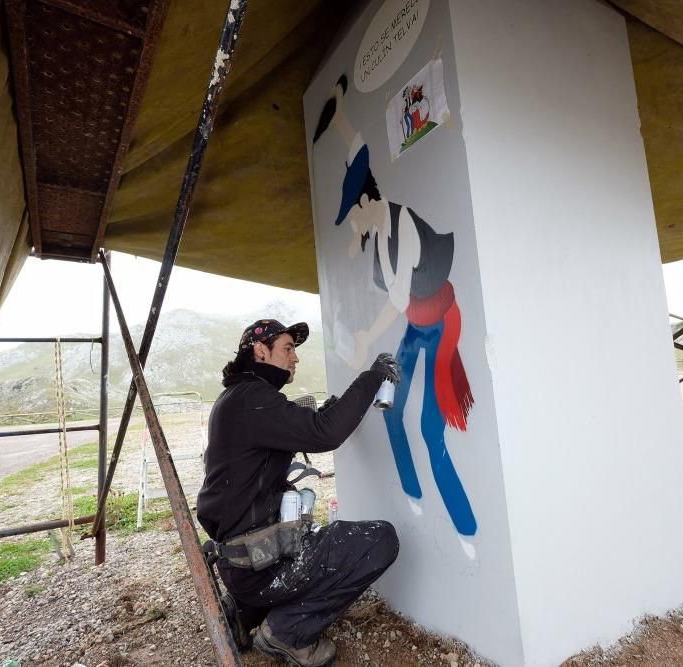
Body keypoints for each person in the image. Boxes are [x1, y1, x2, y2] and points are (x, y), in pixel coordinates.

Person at [312, 77, 478, 545]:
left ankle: (464, 528)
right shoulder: (376, 233)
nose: (357, 227)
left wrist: (366, 338)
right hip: (414, 328)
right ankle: (412, 496)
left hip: (442, 323)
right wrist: (342, 111)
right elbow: (358, 147)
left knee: (431, 428)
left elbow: (399, 297)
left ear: (368, 201)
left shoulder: (401, 224)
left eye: (356, 215)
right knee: (390, 410)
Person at [196, 318, 402, 667]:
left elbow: (302, 427)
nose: (295, 358)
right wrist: (373, 377)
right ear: (260, 351)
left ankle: (246, 612)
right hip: (259, 563)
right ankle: (287, 632)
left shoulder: (237, 397)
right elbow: (325, 433)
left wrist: (331, 409)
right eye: (288, 348)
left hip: (242, 560)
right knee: (380, 539)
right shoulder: (253, 400)